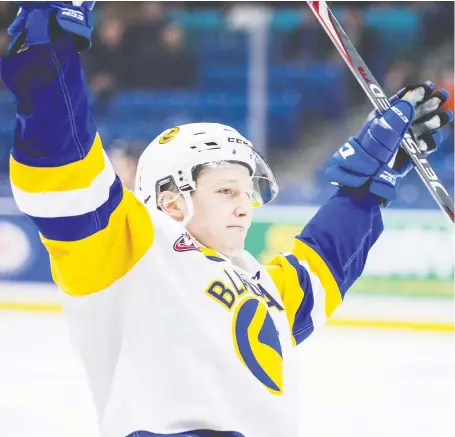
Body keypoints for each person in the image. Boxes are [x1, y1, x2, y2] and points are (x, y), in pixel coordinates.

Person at [1, 3, 453, 437]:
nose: (245, 206)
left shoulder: (262, 285)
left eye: (246, 192)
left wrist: (366, 183)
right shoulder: (128, 252)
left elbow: (324, 260)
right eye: (225, 191)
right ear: (171, 202)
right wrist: (51, 38)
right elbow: (61, 160)